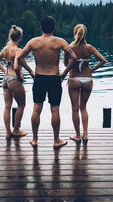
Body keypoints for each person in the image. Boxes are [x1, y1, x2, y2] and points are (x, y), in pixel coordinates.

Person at [15, 16, 77, 148]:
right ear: (54, 28)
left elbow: (20, 57)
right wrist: (64, 73)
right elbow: (74, 57)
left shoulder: (33, 42)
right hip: (54, 78)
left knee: (37, 109)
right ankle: (56, 140)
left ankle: (35, 139)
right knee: (55, 110)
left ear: (40, 27)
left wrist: (31, 72)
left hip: (39, 78)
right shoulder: (60, 42)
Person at [64, 24, 106, 142]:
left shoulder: (68, 48)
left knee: (75, 109)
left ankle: (77, 135)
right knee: (83, 107)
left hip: (74, 79)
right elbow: (103, 60)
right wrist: (92, 69)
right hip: (87, 79)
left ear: (74, 33)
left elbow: (66, 64)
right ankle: (85, 134)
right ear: (84, 34)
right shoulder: (89, 47)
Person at [0, 25, 35, 138]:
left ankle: (8, 132)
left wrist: (5, 72)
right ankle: (16, 130)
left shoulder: (5, 49)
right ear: (20, 37)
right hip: (14, 79)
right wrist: (20, 77)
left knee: (7, 106)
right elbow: (17, 67)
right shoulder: (18, 51)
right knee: (21, 105)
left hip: (6, 79)